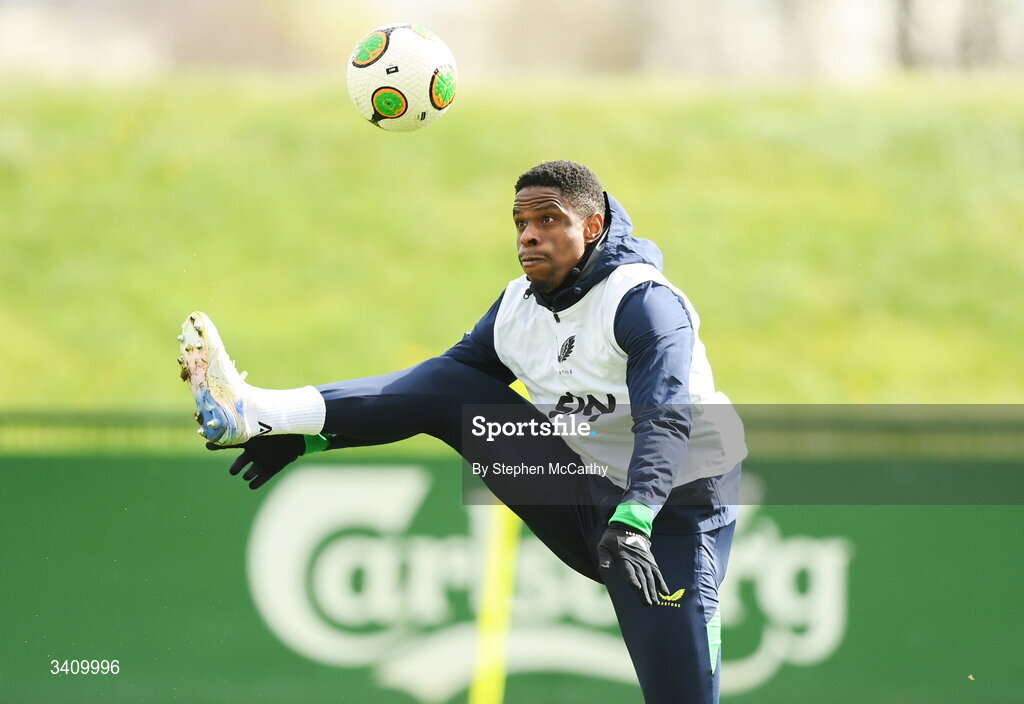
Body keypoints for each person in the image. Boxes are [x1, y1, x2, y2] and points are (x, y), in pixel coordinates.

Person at [178, 160, 747, 703]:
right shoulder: (517, 307)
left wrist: (638, 513)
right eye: (521, 223)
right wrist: (306, 433)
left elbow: (667, 418)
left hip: (670, 512)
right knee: (453, 385)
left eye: (548, 220)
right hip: (582, 488)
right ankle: (254, 411)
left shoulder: (644, 302)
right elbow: (427, 390)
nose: (528, 236)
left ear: (592, 226)